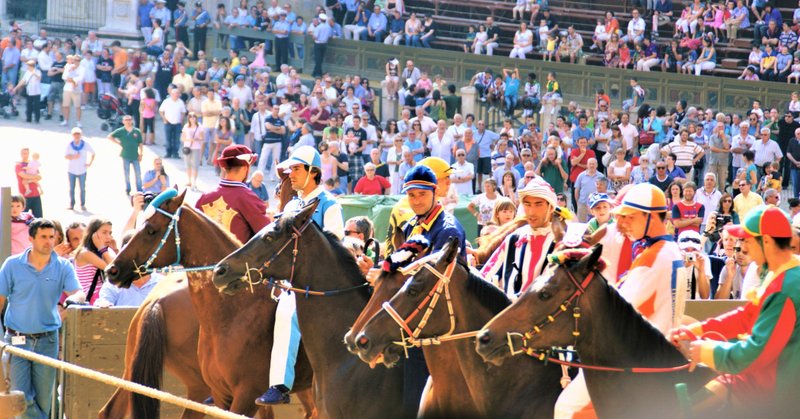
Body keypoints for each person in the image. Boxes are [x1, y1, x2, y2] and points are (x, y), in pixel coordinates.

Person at [555, 183, 683, 418]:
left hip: (636, 358)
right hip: (656, 351)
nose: (621, 224)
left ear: (651, 216)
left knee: (566, 408)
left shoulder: (653, 257)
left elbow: (612, 311)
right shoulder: (669, 250)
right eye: (620, 217)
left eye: (628, 217)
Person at [671, 205, 800, 415]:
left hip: (772, 395)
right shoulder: (783, 271)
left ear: (766, 241)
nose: (744, 247)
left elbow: (754, 355)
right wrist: (697, 330)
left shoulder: (785, 288)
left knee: (685, 409)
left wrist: (706, 351)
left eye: (747, 240)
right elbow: (747, 315)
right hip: (757, 381)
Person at [257, 145, 343, 406]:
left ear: (313, 172)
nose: (290, 175)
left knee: (286, 312)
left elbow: (335, 249)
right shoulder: (292, 204)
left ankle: (279, 386)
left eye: (296, 169)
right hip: (285, 281)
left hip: (316, 287)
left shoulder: (330, 205)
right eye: (290, 169)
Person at [0, 219, 84, 419]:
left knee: (44, 399)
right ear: (31, 239)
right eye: (43, 237)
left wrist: (73, 300)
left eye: (52, 237)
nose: (48, 241)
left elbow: (78, 292)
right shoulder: (12, 265)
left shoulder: (63, 266)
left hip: (48, 340)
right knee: (21, 397)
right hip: (16, 340)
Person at [195, 145, 271, 244]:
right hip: (235, 259)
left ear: (224, 168)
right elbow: (267, 234)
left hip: (204, 258)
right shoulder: (248, 198)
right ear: (245, 168)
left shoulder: (205, 196)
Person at [107, 115, 144, 195]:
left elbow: (140, 143)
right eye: (126, 120)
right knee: (127, 173)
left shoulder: (136, 131)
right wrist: (118, 143)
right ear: (123, 122)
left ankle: (139, 189)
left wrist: (141, 154)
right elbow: (110, 136)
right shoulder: (121, 131)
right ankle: (128, 188)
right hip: (125, 155)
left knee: (138, 173)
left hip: (135, 155)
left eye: (129, 120)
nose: (128, 121)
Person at [65, 127, 95, 211]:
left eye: (78, 134)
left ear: (81, 135)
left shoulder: (85, 144)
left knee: (82, 188)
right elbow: (66, 156)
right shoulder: (70, 144)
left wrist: (89, 163)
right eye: (75, 134)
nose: (77, 136)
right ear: (72, 135)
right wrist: (74, 157)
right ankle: (72, 204)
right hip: (72, 170)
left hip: (82, 170)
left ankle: (82, 204)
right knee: (71, 188)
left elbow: (93, 153)